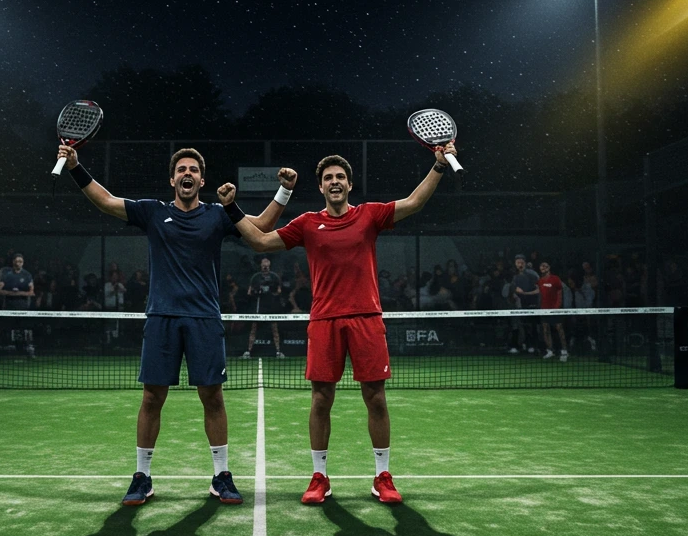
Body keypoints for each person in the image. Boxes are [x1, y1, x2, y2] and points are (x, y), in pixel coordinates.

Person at [59, 142, 295, 506]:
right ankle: (142, 477)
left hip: (204, 319)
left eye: (193, 170)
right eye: (181, 170)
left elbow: (262, 227)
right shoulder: (153, 212)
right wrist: (76, 166)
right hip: (162, 318)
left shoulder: (218, 215)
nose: (187, 174)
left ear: (202, 180)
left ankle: (221, 475)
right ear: (172, 180)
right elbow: (105, 201)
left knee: (212, 397)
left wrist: (285, 190)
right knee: (152, 398)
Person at [222, 142, 457, 505]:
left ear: (349, 184)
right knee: (320, 400)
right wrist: (230, 208)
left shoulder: (369, 215)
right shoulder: (307, 224)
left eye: (340, 177)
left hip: (366, 319)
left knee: (376, 398)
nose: (335, 182)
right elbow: (261, 242)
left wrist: (438, 166)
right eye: (329, 178)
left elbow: (413, 202)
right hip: (324, 321)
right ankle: (320, 477)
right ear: (320, 187)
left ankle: (383, 476)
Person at [0, 254, 36, 358]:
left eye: (21, 261)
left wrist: (19, 293)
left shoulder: (27, 275)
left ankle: (30, 348)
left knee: (27, 328)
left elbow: (32, 292)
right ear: (13, 262)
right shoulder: (7, 274)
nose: (19, 263)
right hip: (8, 307)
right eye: (17, 261)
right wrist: (11, 293)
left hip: (23, 307)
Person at [243, 257, 284, 359]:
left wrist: (272, 294)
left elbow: (279, 291)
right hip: (258, 307)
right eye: (263, 265)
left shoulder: (274, 277)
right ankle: (248, 351)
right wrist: (257, 292)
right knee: (253, 329)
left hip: (271, 307)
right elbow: (249, 292)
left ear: (269, 265)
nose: (265, 266)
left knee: (274, 329)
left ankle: (278, 352)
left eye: (267, 265)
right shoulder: (256, 277)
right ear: (261, 265)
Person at [537, 261, 567, 362]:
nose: (543, 267)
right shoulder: (540, 281)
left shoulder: (555, 278)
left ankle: (564, 351)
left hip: (555, 309)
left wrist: (557, 306)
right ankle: (550, 351)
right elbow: (540, 293)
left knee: (559, 329)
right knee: (545, 329)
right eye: (541, 266)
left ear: (549, 267)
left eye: (545, 266)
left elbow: (560, 292)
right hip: (544, 309)